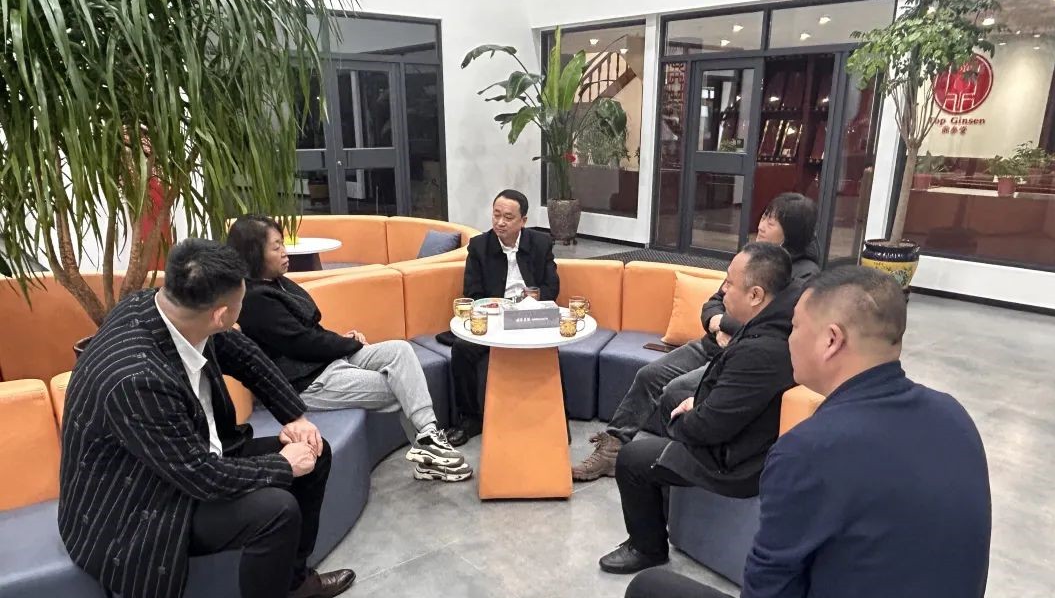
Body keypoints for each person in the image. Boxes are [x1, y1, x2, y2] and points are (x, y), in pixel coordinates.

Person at [622, 266, 991, 598]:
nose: (789, 340)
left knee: (649, 595)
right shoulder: (954, 418)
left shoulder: (810, 449)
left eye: (795, 327)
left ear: (831, 340)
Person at [58, 239, 354, 598]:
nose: (241, 312)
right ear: (220, 314)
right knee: (275, 511)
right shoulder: (137, 378)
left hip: (181, 460)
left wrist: (294, 416)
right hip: (133, 504)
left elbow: (241, 352)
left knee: (316, 455)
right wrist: (281, 466)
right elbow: (202, 478)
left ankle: (292, 583)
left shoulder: (165, 309)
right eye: (240, 304)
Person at [573, 192, 820, 482]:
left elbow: (777, 327)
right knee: (649, 375)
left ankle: (673, 464)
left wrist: (727, 325)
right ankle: (613, 449)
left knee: (675, 390)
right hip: (712, 343)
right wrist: (717, 324)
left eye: (771, 221)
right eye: (764, 215)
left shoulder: (804, 278)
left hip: (739, 357)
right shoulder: (751, 259)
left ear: (791, 231)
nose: (761, 224)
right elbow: (714, 302)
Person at [598, 242, 800, 574]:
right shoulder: (782, 318)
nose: (723, 289)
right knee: (672, 397)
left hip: (738, 462)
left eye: (730, 283)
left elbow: (708, 428)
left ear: (756, 295)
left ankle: (646, 548)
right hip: (745, 437)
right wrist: (701, 404)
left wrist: (683, 420)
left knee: (633, 459)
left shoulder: (761, 352)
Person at [227, 215, 471, 482]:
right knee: (404, 387)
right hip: (309, 382)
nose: (285, 252)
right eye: (276, 247)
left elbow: (309, 332)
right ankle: (429, 452)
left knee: (400, 350)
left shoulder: (276, 282)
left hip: (325, 363)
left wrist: (342, 341)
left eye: (283, 244)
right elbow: (303, 343)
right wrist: (349, 344)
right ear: (254, 253)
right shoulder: (255, 300)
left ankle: (427, 441)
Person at [445, 189, 560, 447]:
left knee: (550, 348)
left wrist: (533, 297)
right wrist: (498, 307)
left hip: (529, 319)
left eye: (508, 217)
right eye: (496, 215)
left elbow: (552, 288)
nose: (500, 222)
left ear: (523, 221)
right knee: (462, 348)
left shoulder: (541, 244)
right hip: (493, 321)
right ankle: (470, 419)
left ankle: (555, 420)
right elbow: (472, 293)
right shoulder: (479, 246)